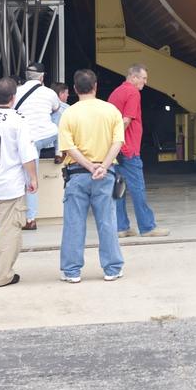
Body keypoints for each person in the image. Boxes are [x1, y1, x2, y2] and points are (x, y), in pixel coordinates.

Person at [57, 69, 125, 283]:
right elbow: (118, 142)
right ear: (96, 86)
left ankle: (72, 271)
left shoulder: (68, 113)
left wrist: (88, 166)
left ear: (75, 89)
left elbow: (68, 147)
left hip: (77, 175)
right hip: (105, 175)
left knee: (74, 223)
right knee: (107, 222)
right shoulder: (111, 111)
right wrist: (102, 167)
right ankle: (112, 268)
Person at [109, 64, 169, 238]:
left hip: (116, 150)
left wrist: (114, 144)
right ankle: (147, 227)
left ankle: (121, 227)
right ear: (133, 77)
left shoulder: (116, 93)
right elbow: (126, 120)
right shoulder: (133, 92)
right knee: (138, 189)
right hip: (128, 149)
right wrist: (121, 140)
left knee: (118, 189)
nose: (145, 82)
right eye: (143, 78)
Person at [0, 77, 38, 287]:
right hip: (9, 186)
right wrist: (33, 178)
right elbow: (27, 155)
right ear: (13, 97)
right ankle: (1, 276)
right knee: (8, 233)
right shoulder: (17, 120)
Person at [15, 61, 61, 230]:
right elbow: (56, 110)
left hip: (24, 140)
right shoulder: (49, 93)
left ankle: (29, 218)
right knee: (59, 114)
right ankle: (58, 150)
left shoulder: (16, 91)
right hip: (46, 136)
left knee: (27, 178)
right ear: (42, 77)